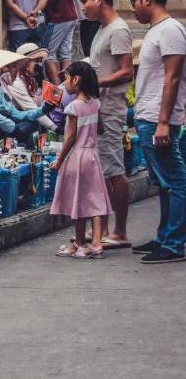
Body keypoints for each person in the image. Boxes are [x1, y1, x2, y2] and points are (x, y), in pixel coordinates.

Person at [129, 0, 186, 264]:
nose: (134, 8)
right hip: (148, 117)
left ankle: (175, 243)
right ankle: (165, 236)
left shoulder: (171, 30)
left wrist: (164, 121)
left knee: (176, 181)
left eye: (134, 1)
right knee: (164, 183)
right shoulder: (155, 31)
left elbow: (172, 77)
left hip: (157, 119)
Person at [78, 0, 134, 249]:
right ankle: (105, 228)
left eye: (85, 1)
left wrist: (95, 82)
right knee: (102, 170)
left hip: (111, 110)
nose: (83, 7)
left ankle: (120, 231)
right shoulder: (101, 29)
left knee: (114, 171)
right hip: (98, 109)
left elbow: (126, 71)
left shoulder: (118, 30)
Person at [50, 61, 113, 259]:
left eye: (67, 78)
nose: (65, 82)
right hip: (92, 155)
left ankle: (79, 242)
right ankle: (96, 244)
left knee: (78, 201)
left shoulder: (72, 107)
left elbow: (70, 138)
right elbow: (101, 128)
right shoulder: (95, 103)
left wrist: (59, 161)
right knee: (94, 200)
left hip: (78, 156)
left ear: (76, 80)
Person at [0, 49, 52, 148]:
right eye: (14, 68)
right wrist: (13, 128)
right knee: (32, 125)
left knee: (33, 122)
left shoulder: (1, 89)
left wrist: (43, 110)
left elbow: (17, 114)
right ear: (2, 70)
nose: (16, 72)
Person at [9, 43, 58, 132]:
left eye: (40, 61)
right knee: (33, 124)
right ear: (25, 63)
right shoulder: (16, 82)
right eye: (36, 61)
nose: (39, 65)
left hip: (29, 116)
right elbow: (31, 108)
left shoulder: (30, 80)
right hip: (15, 122)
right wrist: (54, 127)